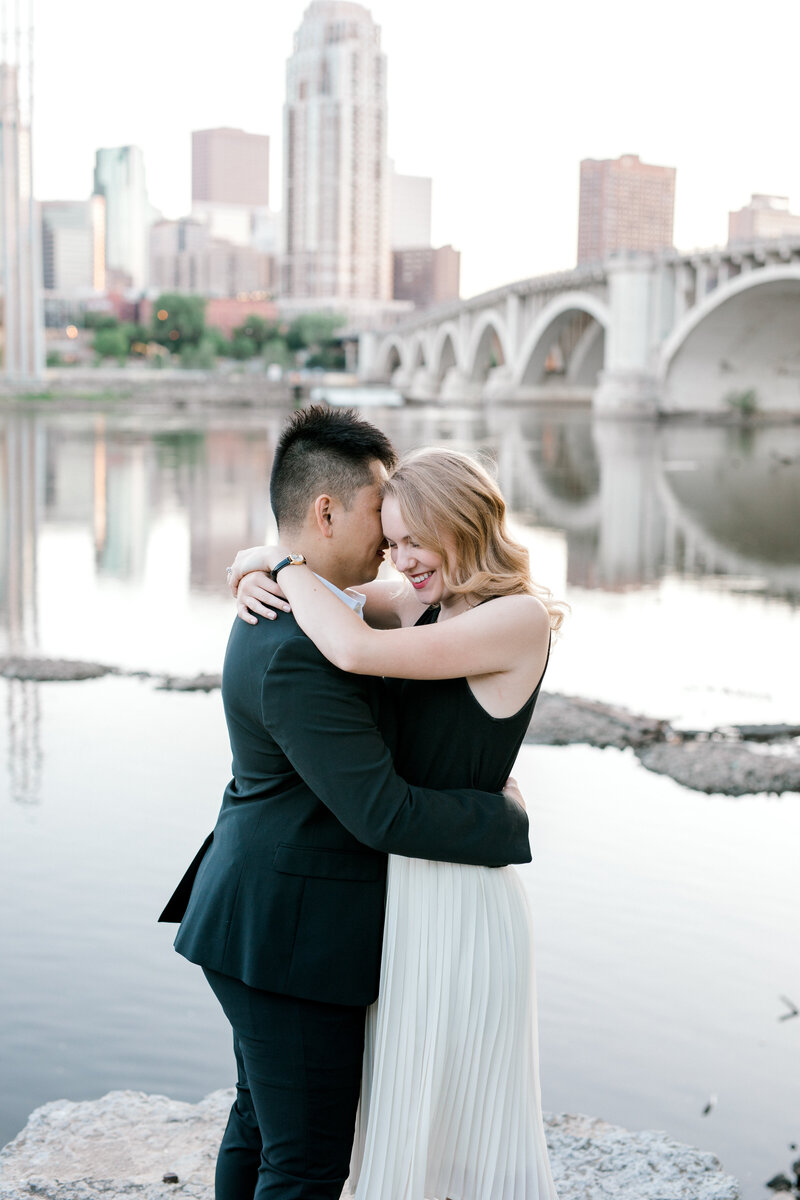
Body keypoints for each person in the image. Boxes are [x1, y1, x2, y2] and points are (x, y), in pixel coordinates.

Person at [158, 407, 532, 1200]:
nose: (392, 555)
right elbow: (383, 812)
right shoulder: (302, 638)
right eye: (383, 529)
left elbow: (369, 627)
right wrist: (504, 821)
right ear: (328, 512)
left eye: (408, 537)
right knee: (302, 1162)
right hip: (286, 930)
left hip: (280, 917)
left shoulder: (326, 607)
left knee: (263, 1127)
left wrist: (272, 561)